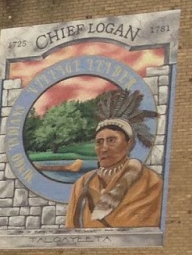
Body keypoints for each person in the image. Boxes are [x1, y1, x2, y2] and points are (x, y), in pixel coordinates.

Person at [65, 90, 162, 229]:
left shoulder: (150, 182)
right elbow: (70, 227)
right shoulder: (82, 183)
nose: (104, 148)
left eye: (111, 140)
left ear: (129, 144)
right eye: (99, 142)